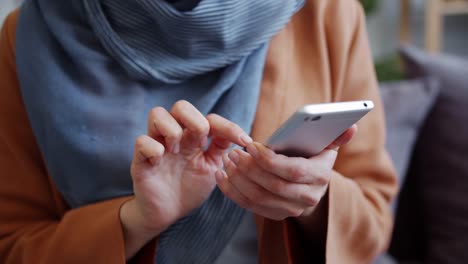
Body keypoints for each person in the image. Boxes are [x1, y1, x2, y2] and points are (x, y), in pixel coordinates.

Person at [0, 0, 398, 263]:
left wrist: (315, 200)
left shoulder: (325, 12)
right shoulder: (27, 36)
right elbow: (13, 244)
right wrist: (137, 220)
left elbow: (374, 220)